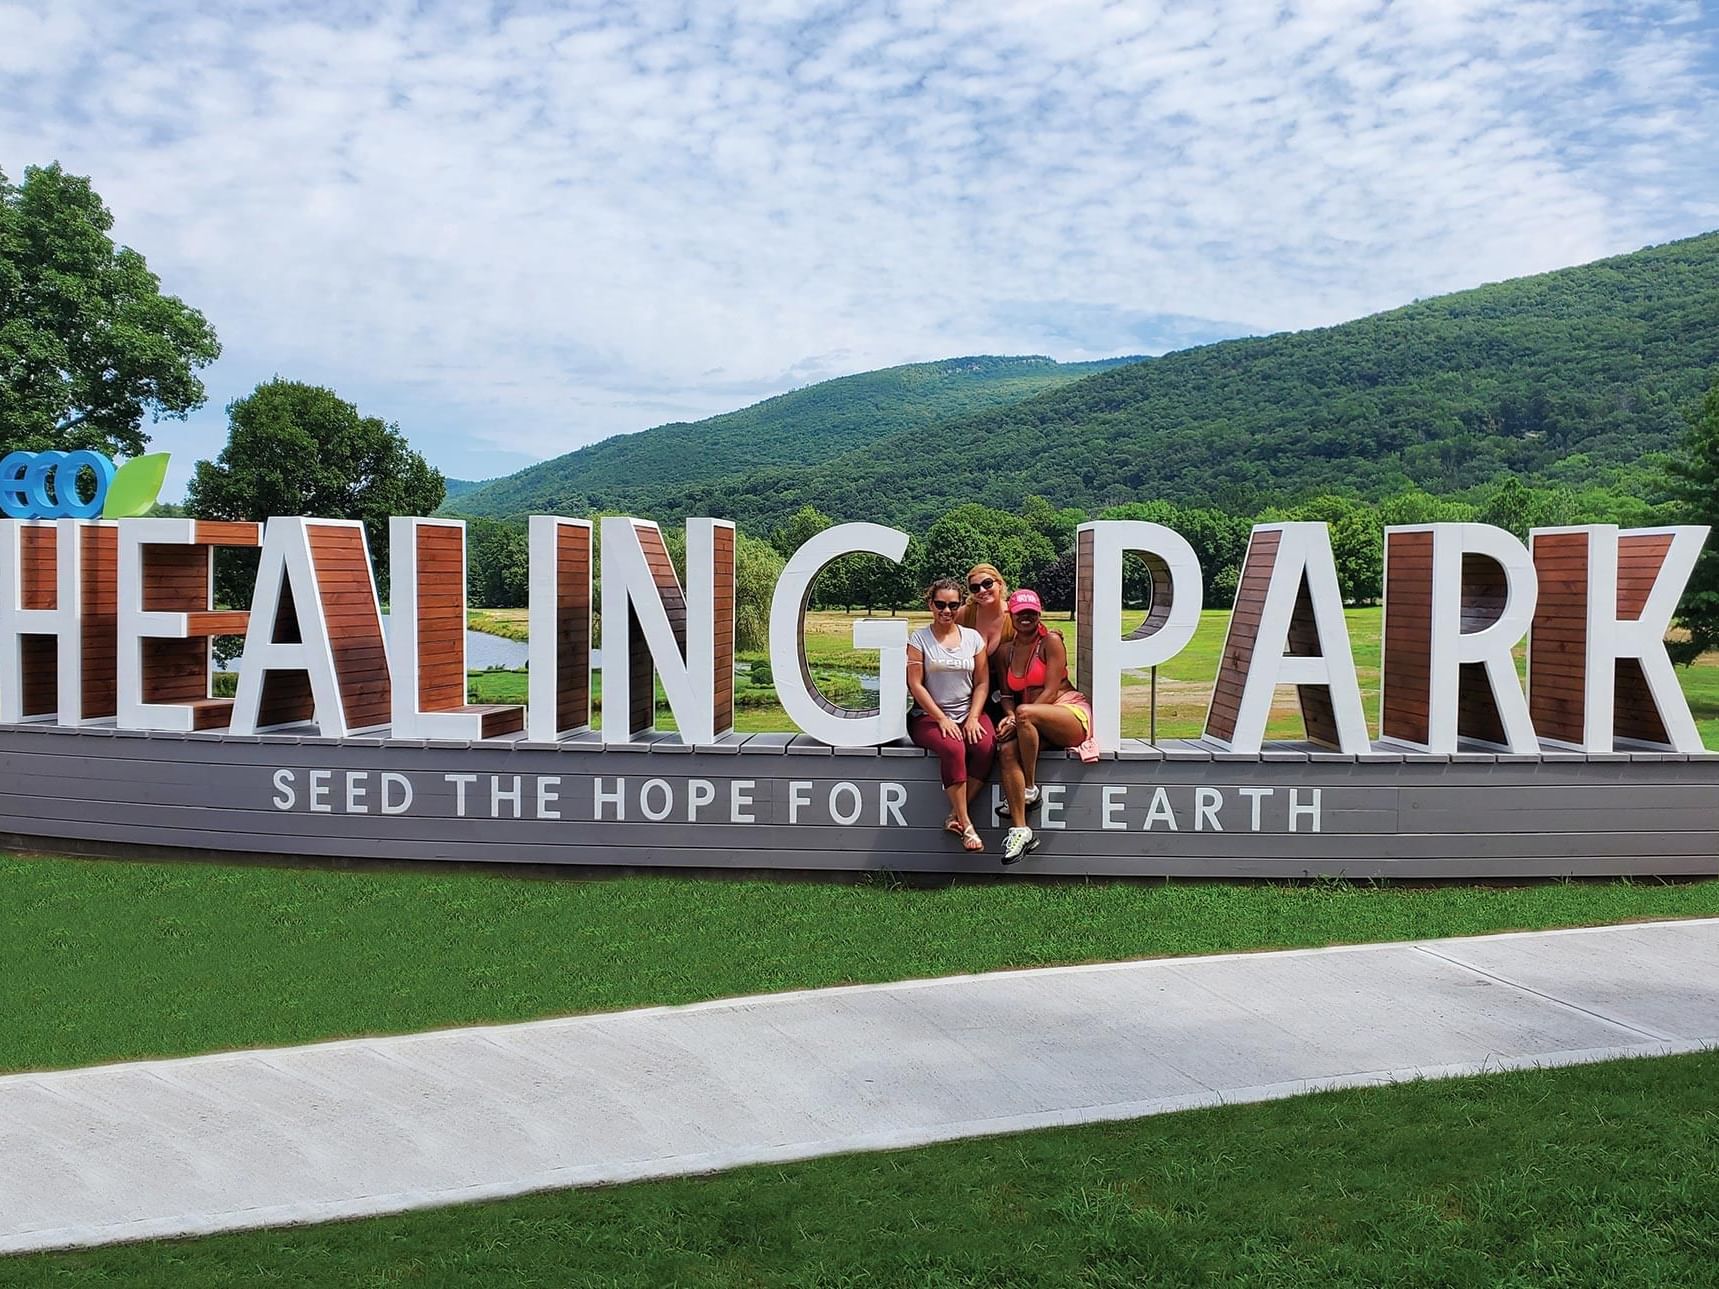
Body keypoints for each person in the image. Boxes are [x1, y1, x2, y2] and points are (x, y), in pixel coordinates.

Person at [992, 588, 1098, 864]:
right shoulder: (1005, 652)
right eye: (1020, 613)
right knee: (1006, 750)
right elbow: (1006, 695)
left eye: (1032, 612)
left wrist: (1017, 717)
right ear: (1011, 615)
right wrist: (1007, 714)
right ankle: (1020, 830)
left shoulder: (1051, 641)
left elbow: (1051, 691)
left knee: (1025, 712)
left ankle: (1029, 788)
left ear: (1039, 613)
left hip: (1067, 712)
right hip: (1032, 722)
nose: (1026, 617)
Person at [906, 578, 996, 853]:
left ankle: (954, 815)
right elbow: (915, 684)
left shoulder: (972, 639)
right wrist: (942, 719)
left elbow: (982, 682)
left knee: (985, 746)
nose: (947, 610)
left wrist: (972, 717)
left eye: (953, 605)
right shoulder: (919, 639)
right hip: (928, 717)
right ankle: (967, 825)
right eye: (941, 604)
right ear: (930, 604)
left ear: (960, 606)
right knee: (953, 747)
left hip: (967, 712)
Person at [957, 562, 1013, 658]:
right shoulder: (964, 614)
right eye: (975, 588)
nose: (982, 590)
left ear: (999, 584)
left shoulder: (1014, 615)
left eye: (987, 583)